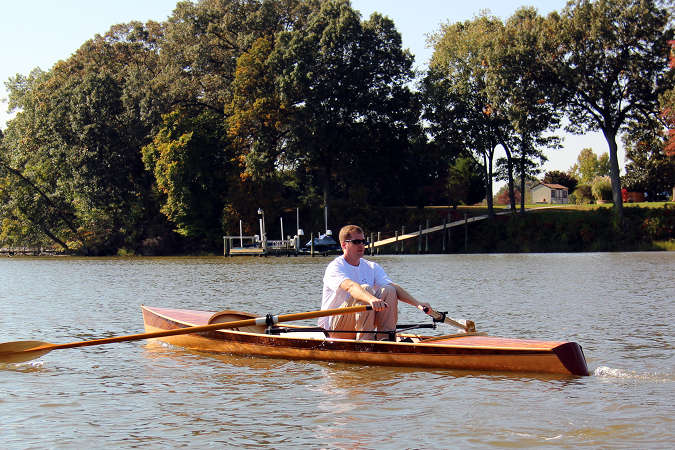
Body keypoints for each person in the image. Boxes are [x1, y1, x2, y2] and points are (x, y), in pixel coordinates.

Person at [320, 224, 431, 340]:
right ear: (344, 245)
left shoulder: (371, 267)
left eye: (363, 241)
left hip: (360, 322)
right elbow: (351, 287)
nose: (361, 245)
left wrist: (418, 303)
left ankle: (386, 338)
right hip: (335, 329)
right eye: (356, 242)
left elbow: (393, 286)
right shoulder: (335, 267)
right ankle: (366, 343)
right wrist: (371, 298)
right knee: (366, 289)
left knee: (389, 290)